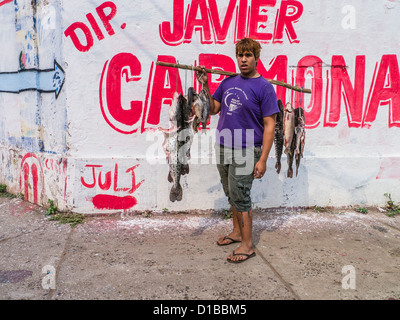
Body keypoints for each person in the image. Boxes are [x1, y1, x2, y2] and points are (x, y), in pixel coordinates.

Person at [196, 38, 279, 263]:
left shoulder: (264, 87)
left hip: (246, 149)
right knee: (231, 193)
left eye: (248, 55)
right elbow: (213, 109)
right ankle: (236, 232)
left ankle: (247, 244)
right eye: (240, 55)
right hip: (223, 145)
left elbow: (270, 125)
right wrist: (204, 83)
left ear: (256, 58)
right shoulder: (228, 82)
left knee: (241, 196)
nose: (243, 59)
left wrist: (262, 159)